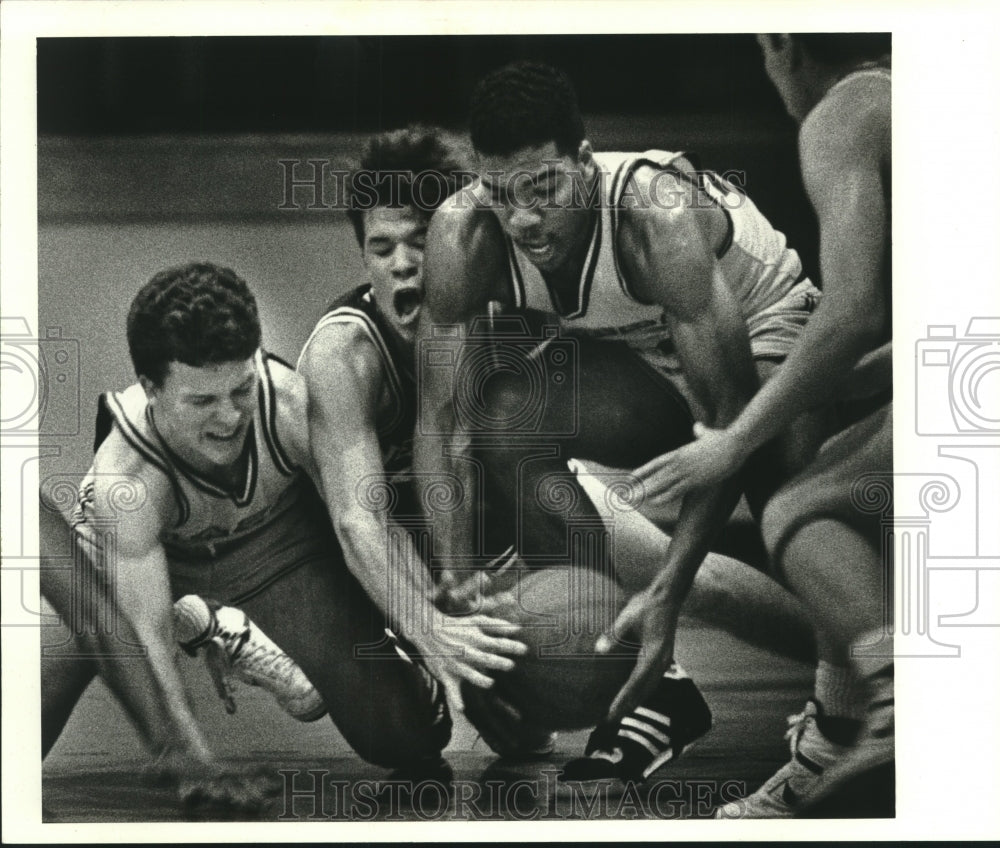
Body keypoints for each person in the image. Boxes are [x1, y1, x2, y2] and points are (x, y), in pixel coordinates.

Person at [300, 124, 818, 768]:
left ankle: (849, 663)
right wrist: (434, 631)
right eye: (381, 248)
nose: (403, 264)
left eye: (419, 241)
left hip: (492, 513)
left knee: (686, 573)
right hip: (395, 547)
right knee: (424, 736)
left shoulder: (503, 306)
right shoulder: (342, 354)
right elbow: (359, 523)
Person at [604, 34, 894, 817]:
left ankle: (889, 714)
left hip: (801, 332)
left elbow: (854, 312)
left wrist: (736, 437)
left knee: (807, 510)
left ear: (781, 45)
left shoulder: (844, 112)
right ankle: (851, 725)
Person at [40, 262, 452, 812]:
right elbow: (145, 636)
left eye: (240, 389)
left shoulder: (287, 403)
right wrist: (192, 759)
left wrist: (431, 627)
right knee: (16, 740)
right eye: (203, 402)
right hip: (139, 558)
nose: (230, 417)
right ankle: (207, 622)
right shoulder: (128, 477)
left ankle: (244, 628)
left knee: (410, 741)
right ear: (151, 389)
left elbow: (368, 527)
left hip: (273, 545)